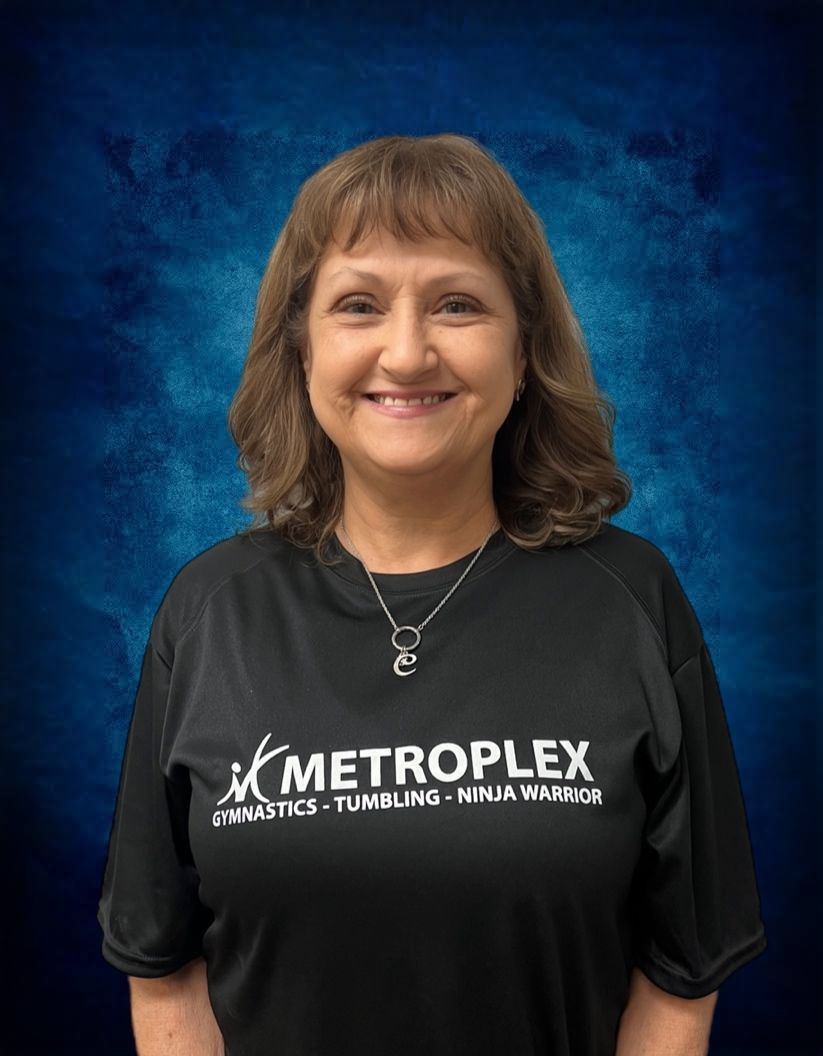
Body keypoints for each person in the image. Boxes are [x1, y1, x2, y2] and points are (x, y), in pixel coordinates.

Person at [97, 133, 767, 1056]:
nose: (407, 354)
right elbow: (161, 967)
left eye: (457, 304)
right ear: (301, 352)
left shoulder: (633, 599)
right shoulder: (208, 611)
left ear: (523, 353)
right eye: (358, 305)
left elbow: (682, 971)